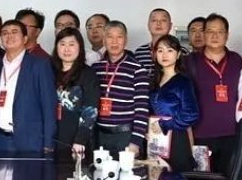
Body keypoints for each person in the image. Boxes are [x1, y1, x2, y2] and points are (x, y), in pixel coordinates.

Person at [186, 13, 242, 174]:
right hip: (200, 134)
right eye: (210, 31)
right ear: (204, 34)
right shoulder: (190, 61)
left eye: (220, 31)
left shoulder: (236, 60)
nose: (215, 36)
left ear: (227, 35)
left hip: (232, 134)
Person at [0, 20, 56, 153]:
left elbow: (48, 106)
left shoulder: (39, 65)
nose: (9, 36)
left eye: (14, 32)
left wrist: (48, 142)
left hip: (30, 141)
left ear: (25, 38)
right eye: (5, 33)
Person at [92, 21, 149, 157]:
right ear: (104, 40)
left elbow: (142, 109)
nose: (114, 41)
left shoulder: (137, 69)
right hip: (99, 135)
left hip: (125, 137)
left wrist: (136, 142)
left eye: (119, 37)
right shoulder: (95, 68)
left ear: (125, 40)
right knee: (99, 170)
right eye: (110, 37)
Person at [149, 35, 199, 172]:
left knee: (177, 179)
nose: (164, 55)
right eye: (160, 50)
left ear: (178, 54)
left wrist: (164, 124)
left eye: (169, 50)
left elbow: (191, 114)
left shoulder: (183, 82)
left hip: (177, 138)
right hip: (155, 138)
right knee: (156, 176)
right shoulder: (153, 80)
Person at [51, 28, 100, 155]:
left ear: (80, 47)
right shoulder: (48, 70)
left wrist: (80, 140)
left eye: (71, 44)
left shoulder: (88, 74)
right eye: (62, 44)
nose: (66, 49)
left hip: (75, 141)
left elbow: (90, 110)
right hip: (49, 138)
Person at [135, 8, 176, 78]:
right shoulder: (139, 52)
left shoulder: (181, 51)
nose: (158, 24)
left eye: (163, 20)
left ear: (170, 25)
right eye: (154, 20)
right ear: (148, 25)